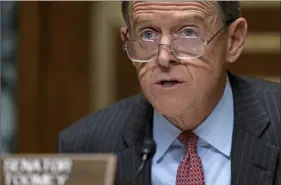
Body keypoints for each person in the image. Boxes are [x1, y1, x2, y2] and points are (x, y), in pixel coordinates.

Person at [57, 1, 280, 185]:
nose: (164, 58)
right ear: (127, 42)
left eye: (188, 33)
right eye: (147, 35)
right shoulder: (87, 147)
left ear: (234, 40)